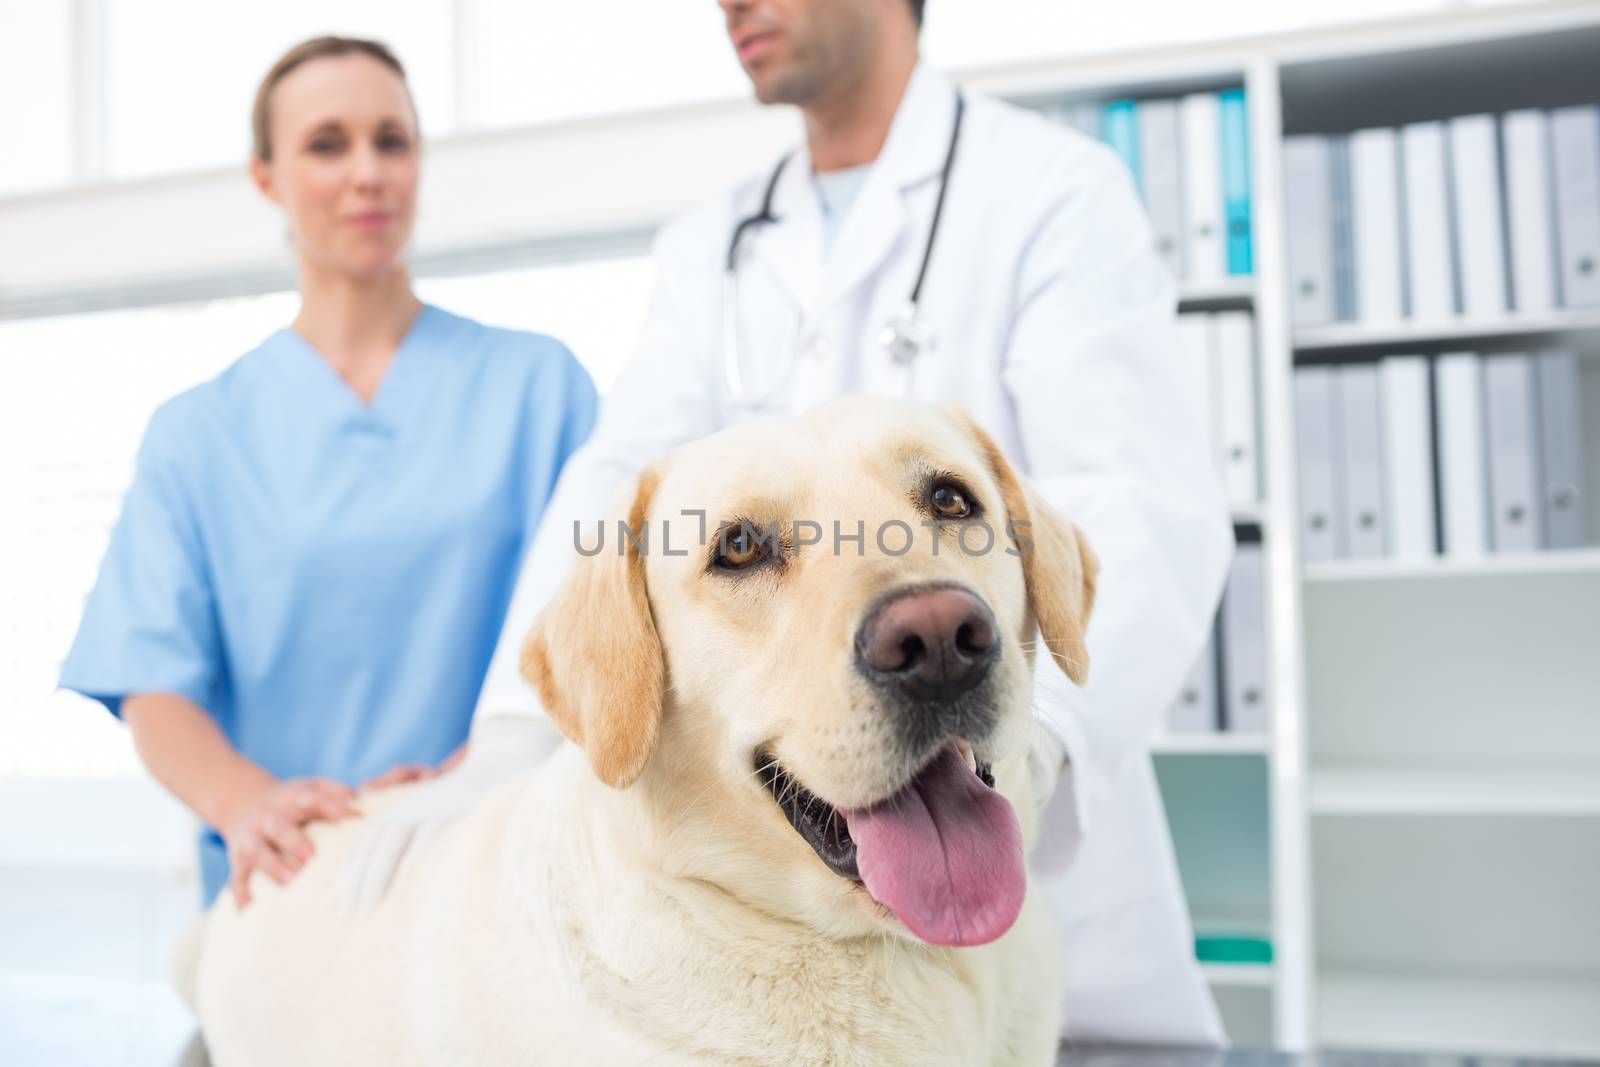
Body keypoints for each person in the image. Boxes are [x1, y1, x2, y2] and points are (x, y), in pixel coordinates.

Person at [351, 0, 1233, 1046]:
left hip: (1058, 939)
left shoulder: (1052, 191)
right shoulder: (710, 244)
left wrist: (1035, 749)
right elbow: (621, 489)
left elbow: (1129, 502)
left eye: (942, 498)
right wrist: (504, 739)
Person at [57, 36, 598, 911]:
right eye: (326, 144)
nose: (368, 172)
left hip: (498, 864)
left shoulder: (541, 388)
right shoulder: (197, 434)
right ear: (266, 176)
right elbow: (148, 679)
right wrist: (244, 799)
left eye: (392, 140)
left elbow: (606, 620)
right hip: (291, 884)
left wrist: (503, 753)